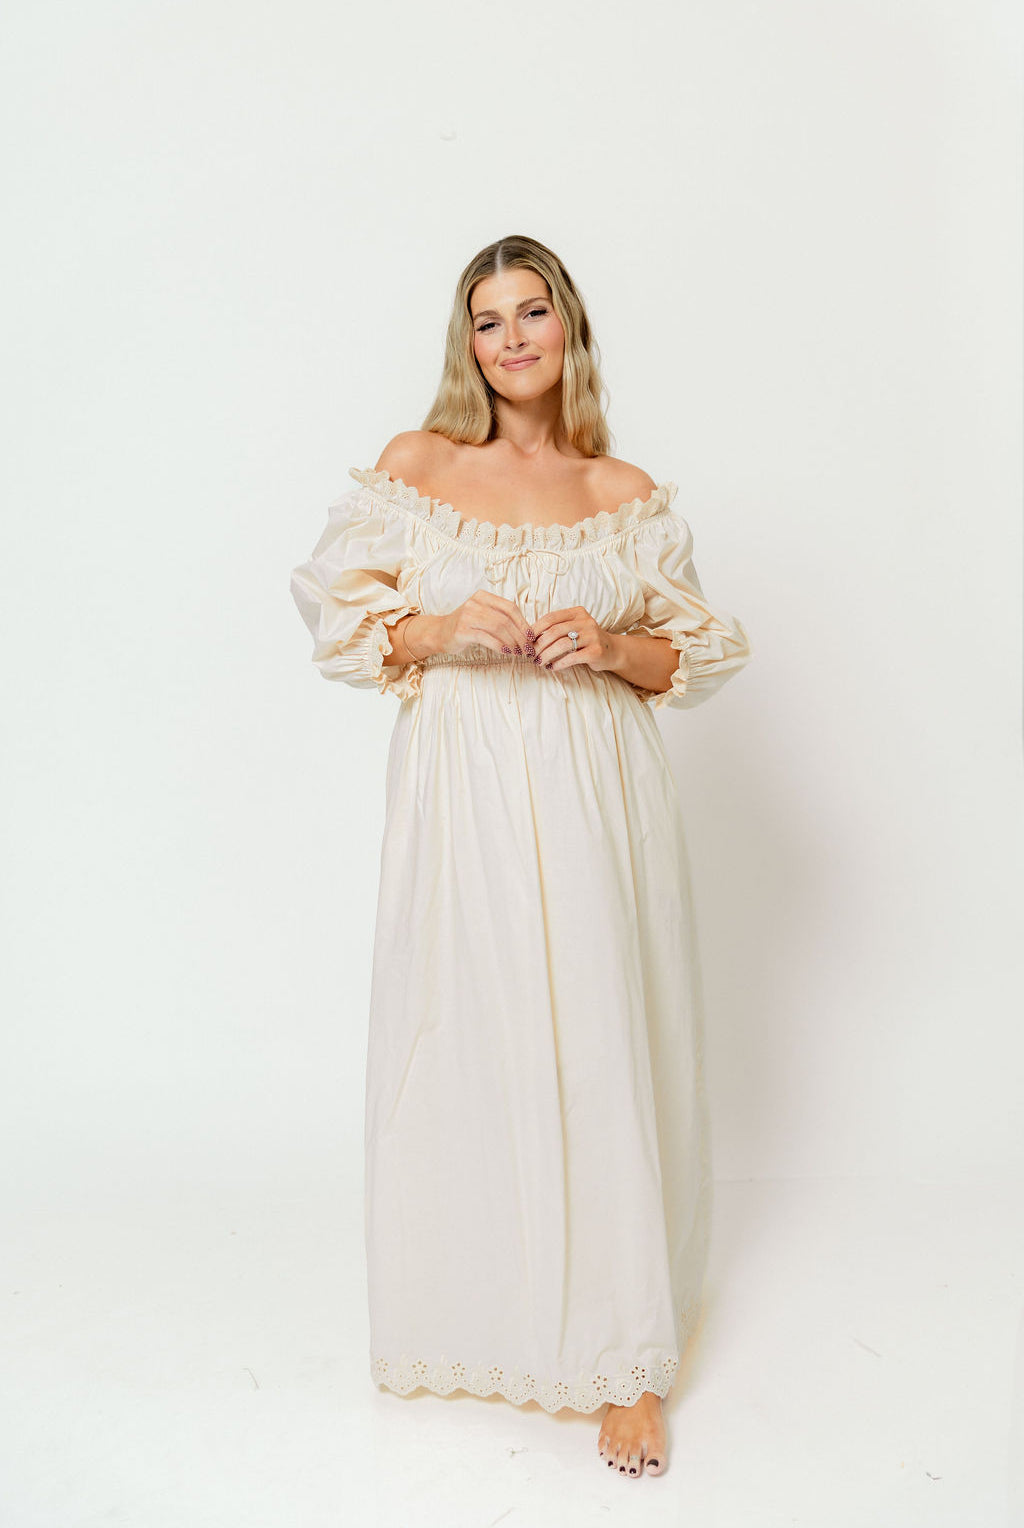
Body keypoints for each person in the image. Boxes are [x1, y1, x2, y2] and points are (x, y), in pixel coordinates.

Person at [290, 233, 753, 1479]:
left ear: (568, 326)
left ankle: (624, 1363)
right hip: (464, 795)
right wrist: (443, 625)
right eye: (488, 321)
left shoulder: (621, 492)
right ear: (468, 343)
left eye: (531, 312)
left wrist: (608, 646)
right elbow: (338, 619)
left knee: (598, 1041)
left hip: (595, 790)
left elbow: (693, 655)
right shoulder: (418, 466)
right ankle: (485, 1312)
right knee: (470, 1035)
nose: (511, 340)